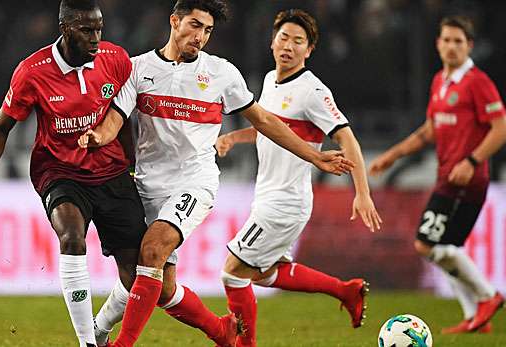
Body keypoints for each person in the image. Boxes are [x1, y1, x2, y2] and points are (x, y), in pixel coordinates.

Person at [78, 1, 355, 346]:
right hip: (147, 185)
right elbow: (115, 120)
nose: (200, 37)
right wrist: (98, 136)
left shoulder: (222, 73)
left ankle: (118, 343)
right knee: (157, 286)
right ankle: (219, 330)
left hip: (195, 182)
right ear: (174, 21)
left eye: (207, 30)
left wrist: (314, 157)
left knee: (152, 251)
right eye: (194, 26)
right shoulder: (139, 69)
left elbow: (266, 121)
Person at [0, 1, 147, 346]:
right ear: (65, 28)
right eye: (86, 30)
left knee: (136, 274)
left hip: (111, 172)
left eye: (99, 29)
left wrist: (131, 167)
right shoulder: (33, 71)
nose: (96, 38)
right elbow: (0, 127)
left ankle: (99, 330)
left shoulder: (115, 59)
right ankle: (86, 343)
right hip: (59, 170)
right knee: (71, 237)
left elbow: (123, 118)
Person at [214, 9, 382, 346]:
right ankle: (345, 291)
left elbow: (347, 139)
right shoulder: (268, 81)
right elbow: (271, 129)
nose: (288, 46)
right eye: (284, 37)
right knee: (262, 273)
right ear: (273, 41)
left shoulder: (313, 91)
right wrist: (235, 137)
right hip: (267, 196)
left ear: (309, 50)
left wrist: (362, 193)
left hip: (286, 202)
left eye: (298, 41)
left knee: (232, 272)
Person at [369, 15, 506, 334]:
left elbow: (502, 129)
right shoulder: (439, 82)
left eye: (458, 41)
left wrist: (472, 161)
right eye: (446, 40)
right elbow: (429, 131)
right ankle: (476, 318)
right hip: (447, 177)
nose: (451, 46)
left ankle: (488, 296)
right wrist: (392, 155)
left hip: (466, 180)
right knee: (446, 249)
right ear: (437, 44)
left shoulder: (477, 82)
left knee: (426, 244)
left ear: (469, 46)